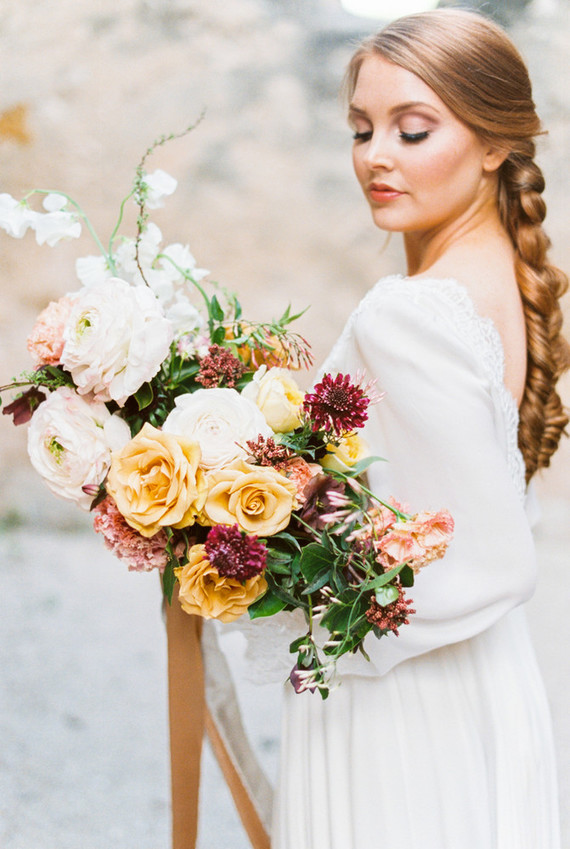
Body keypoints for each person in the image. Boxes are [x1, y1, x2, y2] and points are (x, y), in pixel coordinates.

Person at [257, 9, 569, 849]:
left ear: (495, 143)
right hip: (485, 678)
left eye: (414, 128)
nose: (376, 156)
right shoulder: (498, 274)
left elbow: (493, 553)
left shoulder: (409, 311)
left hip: (402, 705)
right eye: (362, 129)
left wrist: (299, 594)